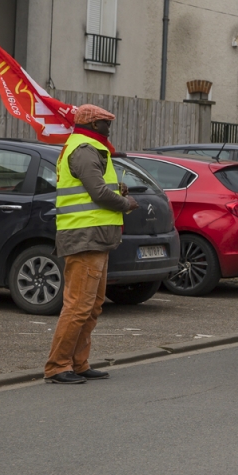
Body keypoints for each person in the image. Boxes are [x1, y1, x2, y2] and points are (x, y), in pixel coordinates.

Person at [43, 104, 140, 385]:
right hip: (84, 237)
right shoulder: (84, 148)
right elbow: (97, 193)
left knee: (92, 305)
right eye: (105, 123)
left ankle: (78, 363)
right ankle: (58, 366)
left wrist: (116, 191)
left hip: (94, 237)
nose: (109, 128)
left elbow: (96, 189)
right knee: (78, 306)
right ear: (94, 124)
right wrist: (126, 203)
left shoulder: (88, 147)